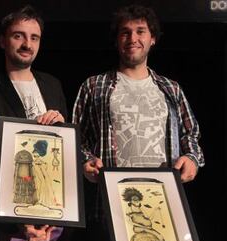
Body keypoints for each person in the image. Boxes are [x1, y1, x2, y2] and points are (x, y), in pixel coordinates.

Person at [0, 5, 69, 241]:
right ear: (3, 41)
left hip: (52, 213)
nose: (27, 44)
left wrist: (62, 127)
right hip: (8, 215)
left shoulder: (53, 84)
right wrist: (19, 219)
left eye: (34, 37)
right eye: (18, 36)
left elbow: (65, 151)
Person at [73, 4, 204, 183]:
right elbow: (77, 138)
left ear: (153, 38)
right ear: (117, 40)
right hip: (112, 195)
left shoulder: (171, 89)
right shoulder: (94, 86)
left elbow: (190, 134)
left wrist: (192, 158)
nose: (132, 38)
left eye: (140, 31)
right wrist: (85, 161)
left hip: (163, 193)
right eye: (125, 32)